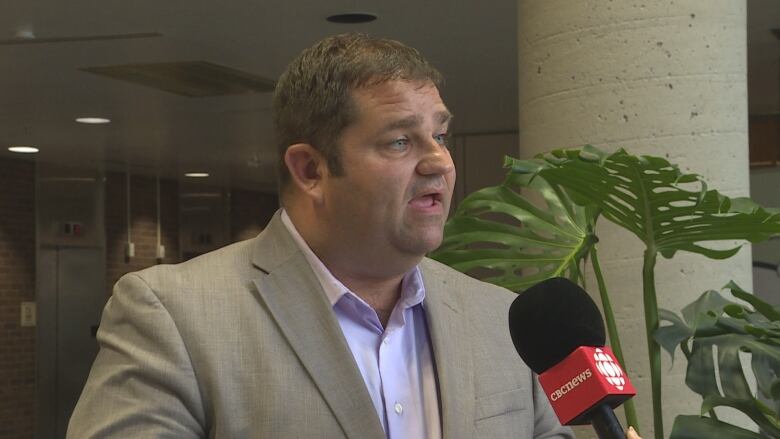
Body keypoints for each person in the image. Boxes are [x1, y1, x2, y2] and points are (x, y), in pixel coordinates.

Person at [68, 33, 640, 439]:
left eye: (440, 135)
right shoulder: (174, 316)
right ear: (311, 170)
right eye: (400, 141)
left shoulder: (504, 321)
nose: (440, 162)